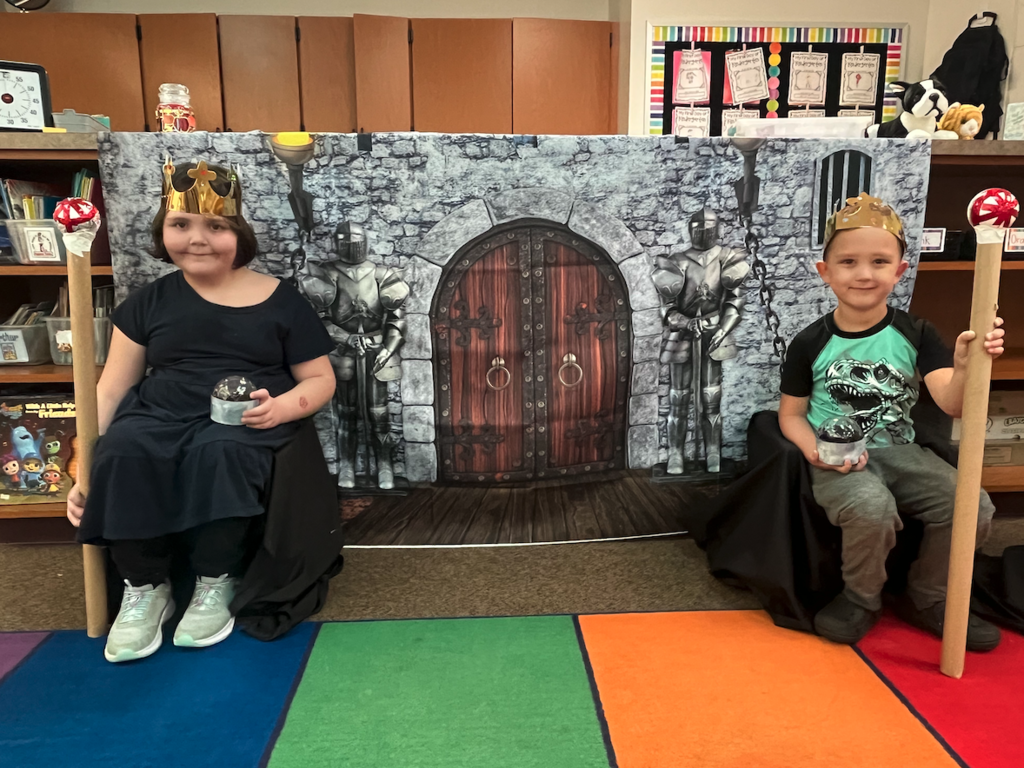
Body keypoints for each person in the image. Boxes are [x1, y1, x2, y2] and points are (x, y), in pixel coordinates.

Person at [66, 159, 336, 663]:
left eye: (216, 226)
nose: (197, 238)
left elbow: (321, 379)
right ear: (162, 230)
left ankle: (216, 580)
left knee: (221, 451)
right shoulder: (149, 302)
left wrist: (280, 409)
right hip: (159, 413)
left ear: (239, 234)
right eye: (180, 224)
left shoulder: (282, 302)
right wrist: (83, 466)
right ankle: (146, 587)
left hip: (244, 420)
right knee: (123, 449)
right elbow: (110, 391)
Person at [778, 193, 1004, 651]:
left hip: (902, 450)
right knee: (871, 507)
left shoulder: (917, 333)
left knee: (972, 506)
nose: (864, 274)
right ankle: (861, 598)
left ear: (899, 271)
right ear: (826, 272)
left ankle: (928, 596)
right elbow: (791, 415)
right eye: (848, 262)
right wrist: (815, 450)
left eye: (880, 261)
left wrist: (965, 367)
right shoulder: (809, 342)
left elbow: (953, 403)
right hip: (840, 455)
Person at [652, 207, 748, 474]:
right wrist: (685, 322)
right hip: (682, 335)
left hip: (714, 332)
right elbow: (668, 309)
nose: (703, 232)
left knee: (711, 396)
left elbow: (735, 300)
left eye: (708, 227)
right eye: (698, 228)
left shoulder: (727, 258)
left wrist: (723, 329)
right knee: (679, 397)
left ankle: (713, 453)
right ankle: (676, 454)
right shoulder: (676, 261)